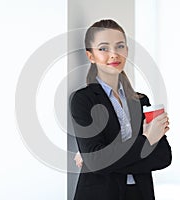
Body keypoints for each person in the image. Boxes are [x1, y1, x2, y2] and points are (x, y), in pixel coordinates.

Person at [69, 19, 172, 200]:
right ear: (90, 56)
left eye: (120, 46)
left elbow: (163, 157)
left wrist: (101, 161)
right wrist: (147, 139)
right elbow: (96, 161)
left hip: (140, 194)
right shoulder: (82, 100)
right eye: (103, 48)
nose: (114, 54)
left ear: (127, 51)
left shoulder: (141, 101)